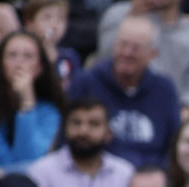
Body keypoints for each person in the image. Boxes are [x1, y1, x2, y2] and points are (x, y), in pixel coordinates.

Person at [69, 16, 179, 171]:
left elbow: (173, 145)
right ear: (114, 45)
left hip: (150, 181)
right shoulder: (86, 82)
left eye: (136, 47)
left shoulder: (165, 89)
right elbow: (68, 138)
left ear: (153, 54)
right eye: (123, 44)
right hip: (97, 175)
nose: (127, 52)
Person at [0, 31, 63, 172]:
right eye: (12, 55)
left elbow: (30, 159)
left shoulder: (49, 111)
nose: (19, 62)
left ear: (39, 67)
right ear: (1, 63)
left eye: (28, 56)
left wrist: (27, 105)